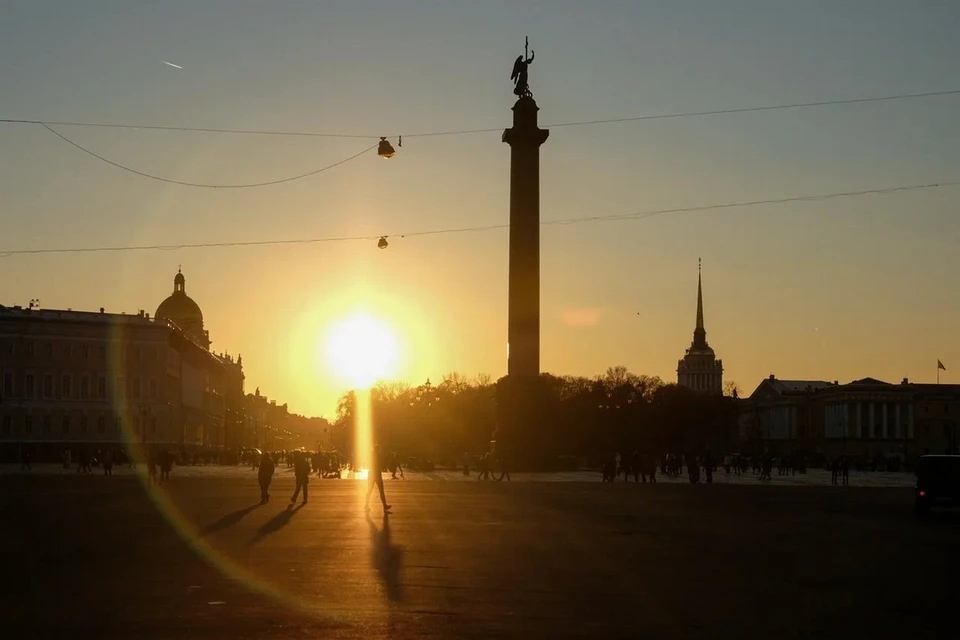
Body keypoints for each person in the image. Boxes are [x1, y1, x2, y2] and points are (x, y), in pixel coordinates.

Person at [365, 445, 391, 513]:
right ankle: (384, 505)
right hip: (377, 474)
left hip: (371, 474)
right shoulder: (378, 456)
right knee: (381, 490)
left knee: (369, 490)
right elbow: (381, 465)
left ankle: (366, 504)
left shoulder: (371, 455)